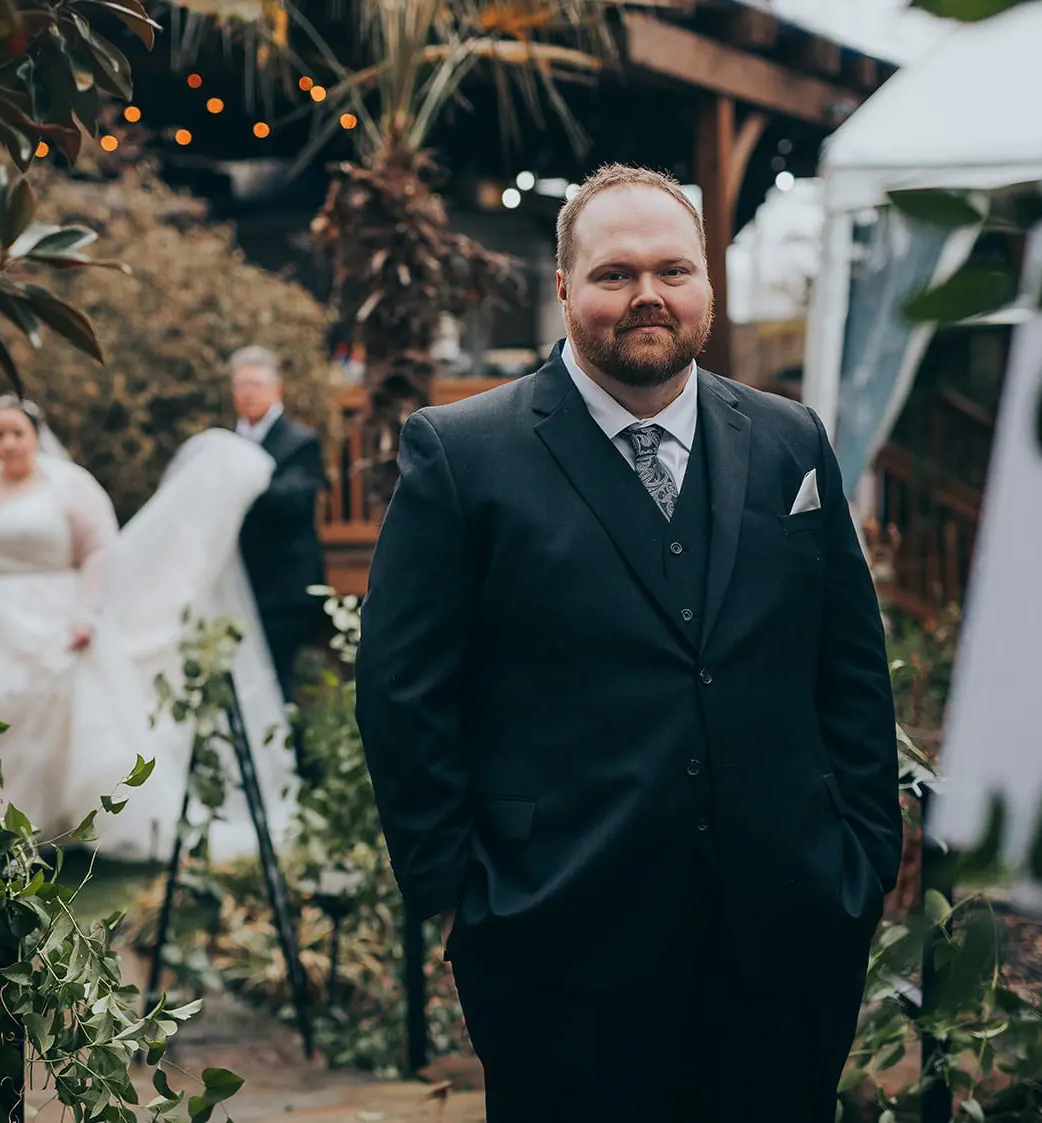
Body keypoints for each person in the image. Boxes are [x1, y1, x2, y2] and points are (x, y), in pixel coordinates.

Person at [354, 164, 901, 1122]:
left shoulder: (789, 440)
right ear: (563, 286)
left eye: (673, 269)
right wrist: (459, 896)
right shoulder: (462, 451)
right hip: (553, 934)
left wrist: (862, 856)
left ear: (706, 287)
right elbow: (403, 694)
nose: (648, 293)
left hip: (788, 926)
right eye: (614, 273)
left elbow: (847, 665)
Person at [0, 395, 298, 864]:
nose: (7, 443)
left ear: (35, 434)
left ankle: (43, 825)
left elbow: (97, 553)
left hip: (47, 619)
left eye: (16, 433)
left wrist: (85, 616)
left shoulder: (69, 486)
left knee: (54, 723)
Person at [230, 346, 327, 705]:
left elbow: (295, 499)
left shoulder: (300, 441)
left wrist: (242, 485)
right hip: (238, 583)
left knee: (280, 685)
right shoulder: (225, 442)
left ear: (277, 389)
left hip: (284, 588)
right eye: (241, 385)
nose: (248, 393)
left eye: (256, 384)